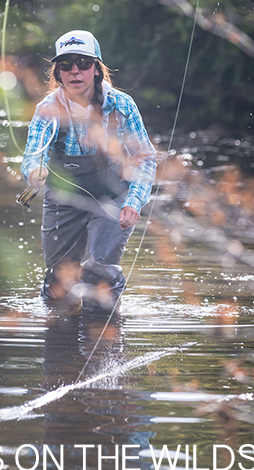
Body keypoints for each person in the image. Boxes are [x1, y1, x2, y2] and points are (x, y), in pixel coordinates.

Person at [20, 29, 157, 309]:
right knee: (59, 289)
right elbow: (32, 154)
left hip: (112, 199)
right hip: (64, 200)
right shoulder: (48, 108)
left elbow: (145, 158)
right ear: (58, 73)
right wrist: (34, 171)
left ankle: (106, 328)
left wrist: (134, 202)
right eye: (66, 64)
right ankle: (62, 346)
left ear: (97, 69)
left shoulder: (121, 104)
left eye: (83, 63)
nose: (75, 71)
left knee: (97, 273)